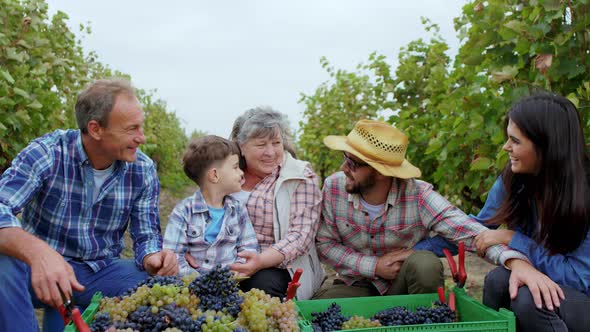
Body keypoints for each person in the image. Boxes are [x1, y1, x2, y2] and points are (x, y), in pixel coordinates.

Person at [0, 78, 178, 332]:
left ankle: (85, 321)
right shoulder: (48, 153)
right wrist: (39, 253)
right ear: (95, 129)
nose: (142, 137)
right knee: (2, 263)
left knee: (162, 286)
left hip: (96, 272)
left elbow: (146, 234)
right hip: (37, 272)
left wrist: (153, 257)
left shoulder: (142, 169)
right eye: (132, 128)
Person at [315, 119, 528, 299]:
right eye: (344, 158)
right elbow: (324, 243)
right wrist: (374, 266)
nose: (343, 169)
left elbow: (469, 232)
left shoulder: (418, 196)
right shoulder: (335, 188)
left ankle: (422, 321)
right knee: (320, 312)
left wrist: (514, 261)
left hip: (403, 286)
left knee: (425, 263)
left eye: (352, 163)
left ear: (381, 172)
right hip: (355, 283)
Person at [470, 93, 590, 331]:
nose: (506, 147)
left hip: (583, 299)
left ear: (546, 145)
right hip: (558, 288)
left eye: (515, 141)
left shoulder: (584, 191)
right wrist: (413, 248)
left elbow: (580, 279)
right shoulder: (514, 181)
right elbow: (478, 229)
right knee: (497, 281)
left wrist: (514, 240)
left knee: (530, 300)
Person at [186, 107, 324, 300]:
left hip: (280, 266)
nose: (271, 152)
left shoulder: (299, 177)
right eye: (261, 145)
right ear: (241, 146)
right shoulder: (224, 173)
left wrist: (260, 260)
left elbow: (300, 236)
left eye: (276, 143)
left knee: (259, 287)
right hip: (225, 260)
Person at [163, 135, 259, 275]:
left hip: (230, 283)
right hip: (191, 285)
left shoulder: (238, 210)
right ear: (214, 175)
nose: (241, 173)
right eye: (235, 167)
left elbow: (249, 247)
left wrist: (237, 271)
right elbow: (173, 255)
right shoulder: (184, 211)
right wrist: (198, 281)